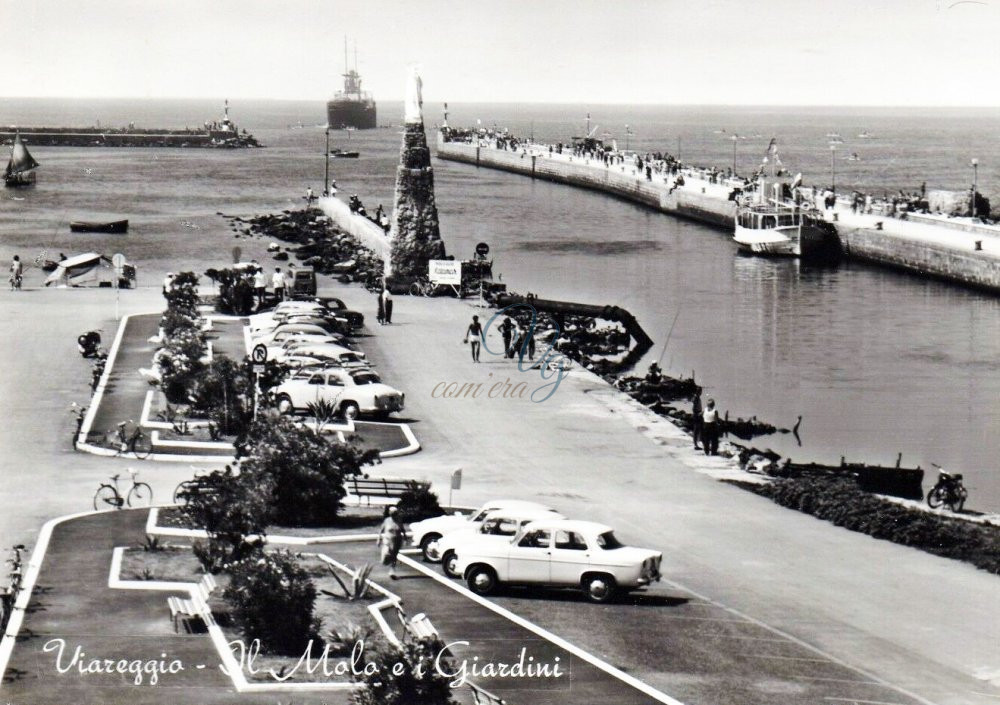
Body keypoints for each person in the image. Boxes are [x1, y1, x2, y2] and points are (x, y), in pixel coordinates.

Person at [377, 506, 406, 580]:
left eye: (395, 513)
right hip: (388, 540)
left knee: (394, 556)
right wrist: (379, 539)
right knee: (385, 558)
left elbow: (402, 529)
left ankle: (392, 571)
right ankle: (386, 562)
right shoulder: (387, 520)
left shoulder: (399, 520)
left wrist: (405, 538)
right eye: (392, 513)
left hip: (397, 540)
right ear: (390, 513)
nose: (393, 515)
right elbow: (381, 529)